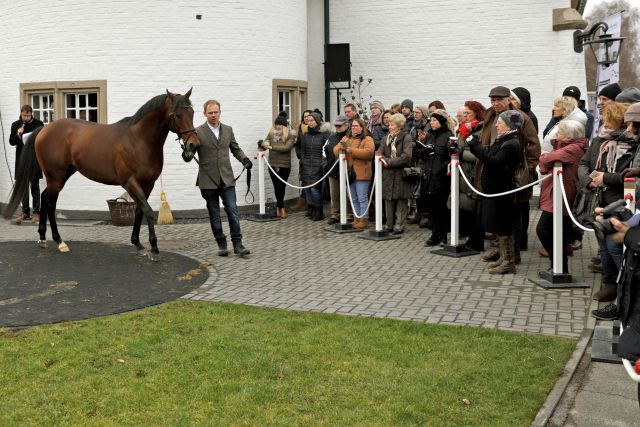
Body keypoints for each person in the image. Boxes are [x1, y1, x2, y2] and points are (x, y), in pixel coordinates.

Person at [578, 102, 636, 303]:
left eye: (609, 119)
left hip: (620, 201)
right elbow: (584, 163)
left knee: (614, 245)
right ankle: (609, 283)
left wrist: (606, 178)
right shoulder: (598, 140)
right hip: (598, 198)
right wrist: (589, 180)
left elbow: (630, 176)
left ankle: (626, 287)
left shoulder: (633, 144)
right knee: (603, 245)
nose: (605, 122)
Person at [479, 86, 541, 260]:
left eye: (499, 99)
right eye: (493, 100)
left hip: (511, 173)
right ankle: (502, 250)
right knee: (499, 213)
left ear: (509, 99)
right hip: (493, 169)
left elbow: (533, 145)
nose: (496, 103)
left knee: (513, 214)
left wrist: (527, 169)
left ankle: (513, 253)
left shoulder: (515, 116)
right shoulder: (490, 114)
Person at [191, 99, 252, 257]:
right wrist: (187, 151)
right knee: (214, 213)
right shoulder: (197, 132)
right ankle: (221, 244)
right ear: (204, 114)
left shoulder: (228, 130)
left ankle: (238, 244)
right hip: (208, 179)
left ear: (220, 112)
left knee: (233, 210)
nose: (213, 115)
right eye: (210, 112)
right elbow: (189, 154)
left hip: (227, 178)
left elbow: (235, 149)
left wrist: (244, 159)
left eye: (215, 112)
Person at [468, 110, 525, 274]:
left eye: (500, 122)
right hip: (495, 189)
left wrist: (475, 145)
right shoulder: (505, 140)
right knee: (499, 225)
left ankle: (508, 262)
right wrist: (477, 147)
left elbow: (493, 161)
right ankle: (504, 257)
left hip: (502, 191)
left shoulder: (511, 144)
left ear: (509, 125)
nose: (497, 125)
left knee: (503, 225)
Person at [536, 120, 588, 274]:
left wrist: (546, 157)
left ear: (568, 135)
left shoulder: (573, 149)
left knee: (543, 229)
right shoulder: (572, 146)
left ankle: (559, 265)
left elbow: (545, 160)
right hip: (559, 194)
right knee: (558, 232)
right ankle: (559, 267)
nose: (556, 134)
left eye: (560, 132)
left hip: (561, 196)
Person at [420, 109, 455, 246]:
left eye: (434, 120)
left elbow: (451, 156)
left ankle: (442, 235)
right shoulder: (429, 135)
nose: (432, 123)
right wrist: (424, 151)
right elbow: (423, 156)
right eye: (431, 120)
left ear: (441, 121)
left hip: (441, 177)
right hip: (429, 176)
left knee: (441, 207)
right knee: (432, 207)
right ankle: (435, 234)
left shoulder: (448, 135)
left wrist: (441, 169)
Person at [455, 100, 486, 251]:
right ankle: (468, 237)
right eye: (464, 113)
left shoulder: (481, 129)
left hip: (474, 173)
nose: (464, 116)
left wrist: (461, 154)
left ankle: (476, 241)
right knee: (465, 208)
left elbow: (480, 154)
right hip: (463, 173)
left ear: (476, 113)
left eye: (467, 113)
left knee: (475, 208)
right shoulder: (463, 130)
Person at [334, 117, 375, 229]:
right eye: (352, 126)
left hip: (362, 173)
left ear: (362, 128)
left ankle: (364, 219)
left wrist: (351, 150)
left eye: (356, 126)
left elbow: (369, 153)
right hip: (350, 173)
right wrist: (341, 148)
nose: (354, 128)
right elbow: (335, 150)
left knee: (362, 197)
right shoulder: (347, 138)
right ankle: (357, 218)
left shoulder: (367, 139)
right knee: (353, 198)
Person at [9, 104, 44, 223]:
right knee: (23, 188)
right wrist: (18, 134)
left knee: (34, 186)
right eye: (24, 115)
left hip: (34, 158)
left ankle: (36, 212)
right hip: (21, 159)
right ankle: (25, 212)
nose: (26, 118)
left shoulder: (38, 124)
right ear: (21, 114)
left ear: (31, 114)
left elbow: (42, 140)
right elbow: (11, 142)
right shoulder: (15, 125)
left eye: (28, 116)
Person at [379, 113, 413, 234]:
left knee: (401, 200)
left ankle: (399, 225)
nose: (389, 127)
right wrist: (384, 160)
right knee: (388, 199)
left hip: (401, 173)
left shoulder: (406, 137)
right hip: (387, 174)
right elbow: (380, 153)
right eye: (389, 124)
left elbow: (407, 157)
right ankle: (389, 224)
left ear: (399, 125)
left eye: (392, 124)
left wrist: (390, 162)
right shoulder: (385, 138)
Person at [261, 111, 296, 219]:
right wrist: (263, 144)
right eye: (276, 124)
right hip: (272, 164)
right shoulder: (271, 133)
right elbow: (265, 142)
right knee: (276, 187)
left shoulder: (291, 134)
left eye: (280, 125)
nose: (278, 126)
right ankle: (280, 208)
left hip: (284, 165)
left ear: (284, 126)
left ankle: (280, 207)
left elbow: (286, 148)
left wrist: (272, 147)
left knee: (281, 186)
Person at [300, 111, 331, 221]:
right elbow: (302, 151)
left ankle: (319, 211)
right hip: (307, 165)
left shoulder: (324, 134)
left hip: (318, 165)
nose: (310, 122)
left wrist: (323, 163)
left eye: (312, 120)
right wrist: (303, 161)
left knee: (315, 189)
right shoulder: (306, 135)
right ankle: (311, 208)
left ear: (317, 121)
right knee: (307, 188)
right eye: (308, 121)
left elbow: (326, 151)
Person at [324, 115, 351, 224]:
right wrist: (325, 164)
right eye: (336, 125)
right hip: (333, 169)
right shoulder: (332, 137)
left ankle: (349, 214)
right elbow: (325, 151)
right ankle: (335, 214)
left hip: (346, 169)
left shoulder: (349, 137)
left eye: (340, 126)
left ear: (346, 125)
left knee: (347, 195)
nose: (338, 127)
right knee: (334, 195)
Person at [291, 110, 313, 212]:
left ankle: (311, 204)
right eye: (305, 116)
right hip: (303, 159)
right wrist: (300, 155)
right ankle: (304, 201)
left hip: (313, 159)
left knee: (312, 182)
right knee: (304, 180)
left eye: (308, 116)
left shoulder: (315, 128)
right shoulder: (301, 128)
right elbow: (298, 144)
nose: (306, 118)